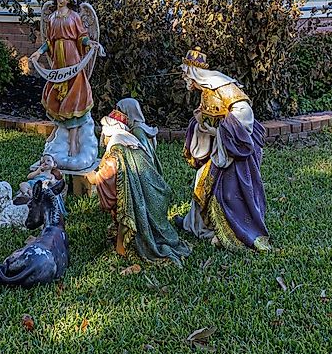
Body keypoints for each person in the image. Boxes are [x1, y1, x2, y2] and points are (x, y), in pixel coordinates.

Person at [179, 50, 271, 252]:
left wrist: (220, 131)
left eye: (186, 75)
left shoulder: (222, 87)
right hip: (219, 148)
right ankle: (199, 225)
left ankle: (232, 233)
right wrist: (201, 123)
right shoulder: (206, 90)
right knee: (202, 182)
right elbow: (209, 114)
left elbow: (244, 113)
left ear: (194, 73)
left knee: (228, 193)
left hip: (233, 151)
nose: (185, 79)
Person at [85, 107, 191, 264]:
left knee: (125, 216)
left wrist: (93, 176)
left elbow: (108, 176)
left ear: (109, 133)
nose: (104, 139)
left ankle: (122, 248)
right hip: (152, 193)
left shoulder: (116, 149)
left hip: (134, 197)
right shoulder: (131, 140)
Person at [33, 0, 102, 167]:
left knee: (74, 97)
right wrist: (39, 52)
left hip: (72, 58)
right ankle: (58, 130)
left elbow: (81, 36)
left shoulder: (74, 17)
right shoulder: (52, 17)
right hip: (58, 62)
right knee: (54, 94)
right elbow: (49, 40)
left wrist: (90, 43)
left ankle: (73, 140)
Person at [116, 96, 161, 174]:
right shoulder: (137, 126)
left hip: (145, 169)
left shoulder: (137, 129)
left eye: (121, 112)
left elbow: (145, 152)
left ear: (129, 112)